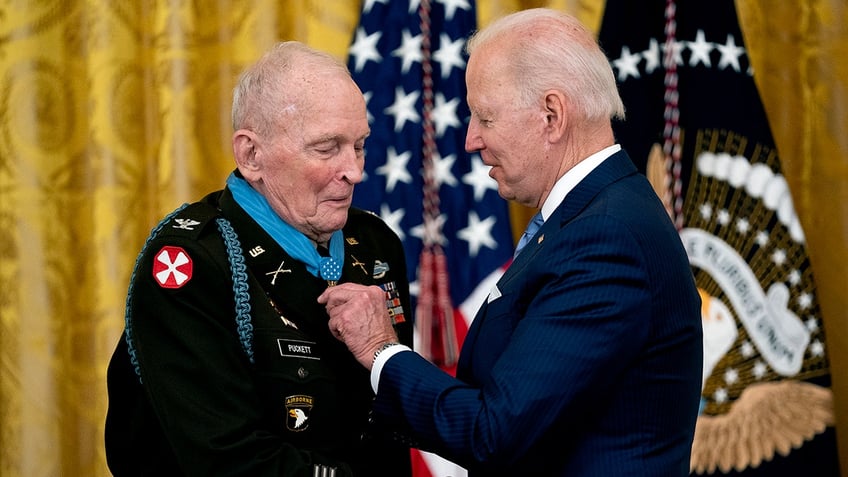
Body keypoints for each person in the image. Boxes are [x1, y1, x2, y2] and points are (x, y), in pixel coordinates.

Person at [319, 8, 703, 476]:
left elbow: (493, 432)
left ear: (552, 115)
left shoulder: (605, 237)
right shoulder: (590, 215)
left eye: (485, 116)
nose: (470, 140)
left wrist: (381, 350)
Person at [105, 41, 413, 476]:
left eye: (359, 145)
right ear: (251, 156)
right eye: (327, 149)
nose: (355, 170)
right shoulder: (190, 263)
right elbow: (226, 460)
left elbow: (389, 429)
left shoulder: (376, 243)